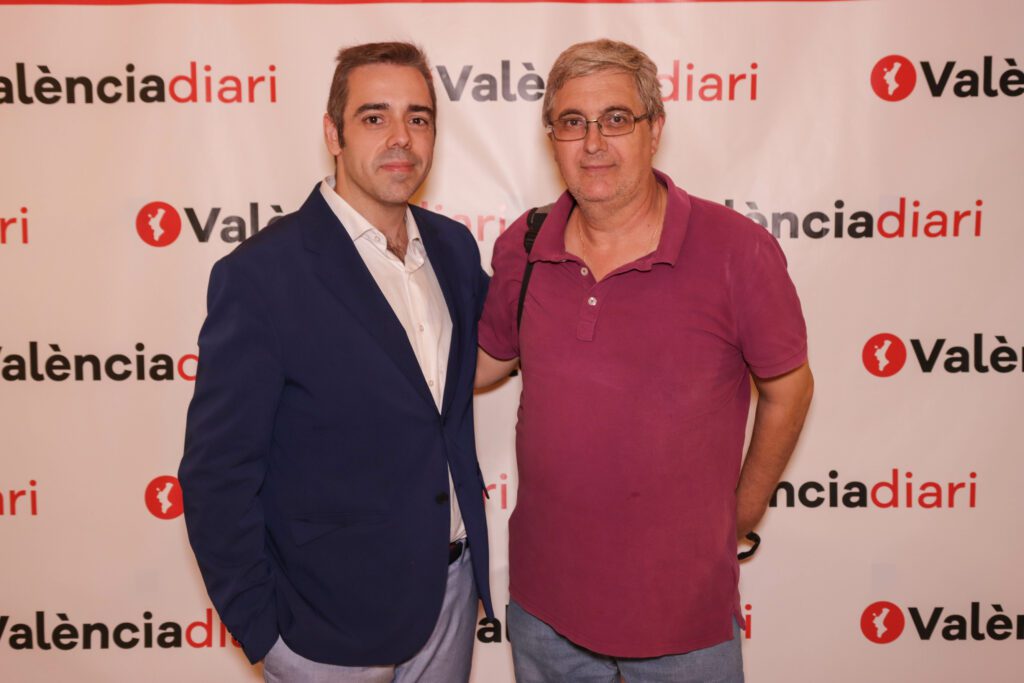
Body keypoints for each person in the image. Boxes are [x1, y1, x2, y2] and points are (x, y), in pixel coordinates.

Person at [476, 39, 813, 682]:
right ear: (552, 139)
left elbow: (790, 390)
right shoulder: (525, 243)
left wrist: (740, 513)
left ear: (655, 129)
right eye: (573, 122)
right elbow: (486, 362)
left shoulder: (736, 250)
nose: (593, 143)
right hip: (545, 607)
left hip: (683, 618)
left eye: (616, 119)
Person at [179, 41, 492, 683]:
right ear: (333, 134)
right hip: (324, 623)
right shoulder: (262, 275)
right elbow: (218, 472)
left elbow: (489, 358)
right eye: (375, 117)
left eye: (418, 117)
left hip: (451, 595)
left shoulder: (454, 250)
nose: (400, 137)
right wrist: (264, 634)